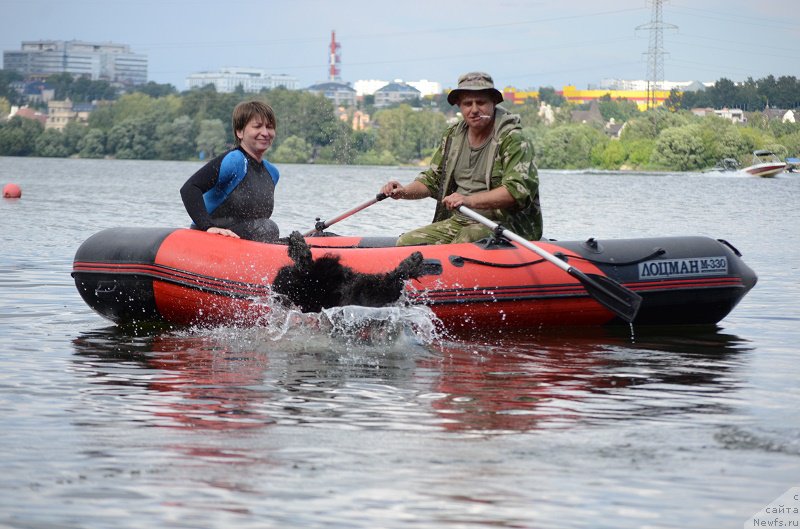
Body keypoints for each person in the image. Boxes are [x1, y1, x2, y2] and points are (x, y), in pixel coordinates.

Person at [379, 72, 542, 246]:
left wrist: (468, 200)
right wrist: (403, 191)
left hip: (508, 226)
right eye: (467, 104)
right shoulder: (452, 136)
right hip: (462, 221)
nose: (474, 110)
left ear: (493, 103)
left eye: (480, 102)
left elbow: (517, 192)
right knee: (405, 243)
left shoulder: (513, 139)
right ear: (459, 106)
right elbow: (433, 180)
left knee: (466, 239)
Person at [181, 100, 281, 243]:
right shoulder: (235, 161)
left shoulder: (272, 173)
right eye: (257, 126)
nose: (265, 133)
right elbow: (190, 188)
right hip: (209, 241)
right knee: (268, 228)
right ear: (239, 132)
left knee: (269, 228)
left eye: (270, 127)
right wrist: (208, 227)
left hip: (243, 244)